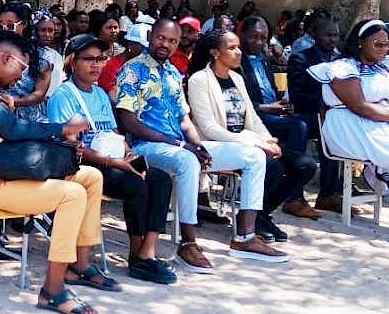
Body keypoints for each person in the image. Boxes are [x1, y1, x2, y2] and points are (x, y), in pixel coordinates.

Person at [0, 30, 116, 314]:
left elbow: (10, 132)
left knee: (91, 177)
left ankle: (80, 264)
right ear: (5, 58)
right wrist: (63, 128)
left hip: (2, 174)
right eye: (22, 67)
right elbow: (13, 130)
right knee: (71, 194)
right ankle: (53, 290)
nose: (22, 76)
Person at [117, 18, 287, 274]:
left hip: (180, 145)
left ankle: (245, 237)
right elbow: (128, 121)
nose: (166, 44)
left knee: (253, 156)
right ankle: (188, 243)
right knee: (188, 160)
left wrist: (197, 145)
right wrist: (182, 146)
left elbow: (185, 119)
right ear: (150, 35)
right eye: (161, 38)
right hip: (144, 147)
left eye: (173, 41)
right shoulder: (132, 70)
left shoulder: (173, 73)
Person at [48, 34, 176, 285]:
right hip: (83, 164)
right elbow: (70, 144)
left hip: (114, 158)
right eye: (88, 59)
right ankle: (135, 253)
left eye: (101, 59)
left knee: (160, 179)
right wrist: (116, 163)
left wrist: (128, 154)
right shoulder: (63, 95)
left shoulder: (100, 94)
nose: (96, 65)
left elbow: (115, 133)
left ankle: (148, 253)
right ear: (73, 62)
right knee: (135, 186)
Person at [187, 30, 318, 243]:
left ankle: (261, 214)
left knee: (305, 165)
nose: (239, 52)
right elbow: (209, 127)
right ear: (215, 52)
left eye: (238, 47)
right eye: (232, 48)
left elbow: (253, 117)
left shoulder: (237, 78)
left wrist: (268, 140)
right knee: (271, 167)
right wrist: (257, 144)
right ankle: (252, 221)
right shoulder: (199, 80)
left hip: (251, 141)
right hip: (220, 145)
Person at [236, 16, 320, 220]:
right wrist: (268, 107)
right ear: (243, 36)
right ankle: (293, 197)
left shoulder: (264, 59)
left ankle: (330, 191)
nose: (258, 41)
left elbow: (270, 90)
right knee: (296, 127)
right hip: (253, 116)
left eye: (262, 37)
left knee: (321, 124)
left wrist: (280, 103)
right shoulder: (237, 61)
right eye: (253, 37)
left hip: (273, 111)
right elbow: (237, 102)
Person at [307, 19, 389, 189]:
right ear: (360, 43)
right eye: (377, 44)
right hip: (348, 125)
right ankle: (379, 169)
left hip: (377, 121)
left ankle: (379, 170)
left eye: (386, 44)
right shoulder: (343, 68)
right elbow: (358, 106)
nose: (383, 49)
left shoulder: (382, 68)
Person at [288, 19, 348, 213]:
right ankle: (294, 197)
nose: (332, 40)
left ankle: (330, 194)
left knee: (340, 127)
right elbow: (297, 95)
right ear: (315, 36)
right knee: (323, 127)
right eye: (328, 35)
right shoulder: (301, 59)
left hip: (332, 115)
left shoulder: (342, 62)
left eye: (335, 36)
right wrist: (326, 102)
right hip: (307, 114)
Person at [0, 3, 52, 122]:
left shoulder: (41, 57)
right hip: (0, 119)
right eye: (0, 26)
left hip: (31, 122)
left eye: (10, 25)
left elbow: (39, 94)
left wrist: (14, 101)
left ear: (24, 25)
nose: (5, 30)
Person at [98, 23, 150, 102]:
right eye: (144, 48)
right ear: (131, 45)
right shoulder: (111, 66)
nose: (147, 52)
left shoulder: (147, 66)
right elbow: (114, 98)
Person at [33, 10, 65, 97]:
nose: (47, 34)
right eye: (43, 30)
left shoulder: (56, 56)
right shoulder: (27, 53)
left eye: (50, 30)